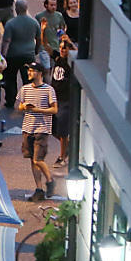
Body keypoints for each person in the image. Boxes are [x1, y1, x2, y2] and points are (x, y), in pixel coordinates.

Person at [17, 63, 58, 201]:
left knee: (38, 159)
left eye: (32, 70)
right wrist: (24, 107)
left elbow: (54, 110)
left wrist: (37, 110)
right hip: (28, 129)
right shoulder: (25, 89)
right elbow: (20, 106)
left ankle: (50, 180)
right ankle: (39, 189)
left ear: (40, 73)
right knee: (32, 161)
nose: (29, 73)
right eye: (28, 70)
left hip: (42, 129)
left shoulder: (48, 90)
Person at [2, 0, 41, 108]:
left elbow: (6, 41)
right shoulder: (34, 23)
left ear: (16, 9)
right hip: (28, 55)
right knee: (28, 79)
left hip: (13, 55)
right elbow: (39, 39)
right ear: (26, 8)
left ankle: (10, 100)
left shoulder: (10, 23)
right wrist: (36, 50)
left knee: (10, 79)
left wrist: (3, 55)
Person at [51, 38, 76, 167]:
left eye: (64, 48)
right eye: (61, 47)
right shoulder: (57, 60)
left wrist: (70, 43)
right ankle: (68, 146)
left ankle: (62, 157)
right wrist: (43, 31)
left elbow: (78, 54)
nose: (62, 50)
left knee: (62, 130)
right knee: (52, 128)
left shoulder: (70, 62)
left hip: (65, 99)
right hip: (55, 99)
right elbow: (46, 46)